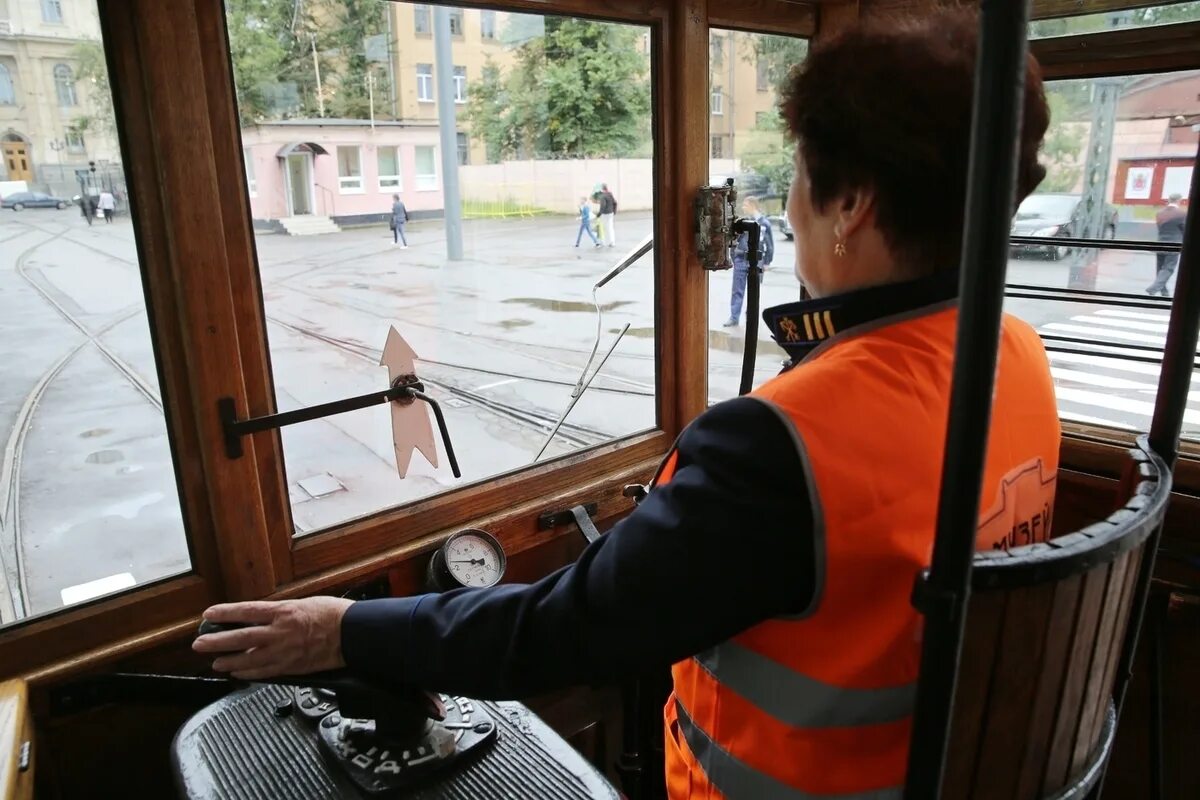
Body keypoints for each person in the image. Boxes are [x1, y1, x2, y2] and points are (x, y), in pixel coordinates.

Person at [195, 11, 1060, 798]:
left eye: (795, 177)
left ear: (852, 204)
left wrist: (343, 631)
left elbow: (565, 628)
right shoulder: (1017, 356)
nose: (787, 209)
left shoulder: (785, 444)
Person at [722, 195, 775, 327]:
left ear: (752, 205)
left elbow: (769, 244)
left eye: (746, 205)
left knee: (754, 289)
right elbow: (734, 240)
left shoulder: (764, 223)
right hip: (741, 259)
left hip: (757, 261)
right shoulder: (743, 222)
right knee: (737, 289)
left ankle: (751, 316)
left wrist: (767, 261)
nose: (743, 207)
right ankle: (734, 317)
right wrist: (734, 256)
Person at [1147, 193, 1187, 297]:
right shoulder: (1182, 214)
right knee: (1168, 268)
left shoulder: (1160, 213)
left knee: (1160, 268)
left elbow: (1160, 228)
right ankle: (1154, 288)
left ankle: (1164, 292)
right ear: (1179, 200)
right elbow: (1185, 230)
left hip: (1160, 243)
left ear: (1169, 200)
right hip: (1174, 244)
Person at [597, 183, 617, 247]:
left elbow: (603, 206)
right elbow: (615, 203)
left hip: (605, 214)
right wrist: (614, 211)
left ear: (601, 189)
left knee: (603, 228)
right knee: (610, 228)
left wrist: (599, 214)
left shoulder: (602, 196)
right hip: (610, 213)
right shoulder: (610, 194)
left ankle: (602, 242)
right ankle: (612, 242)